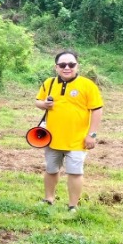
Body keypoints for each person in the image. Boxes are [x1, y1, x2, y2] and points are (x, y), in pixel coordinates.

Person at [35, 51, 103, 212]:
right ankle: (48, 199)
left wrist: (91, 135)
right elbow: (37, 101)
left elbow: (97, 110)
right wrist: (43, 104)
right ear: (56, 67)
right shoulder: (49, 83)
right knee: (51, 170)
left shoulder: (88, 85)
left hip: (77, 140)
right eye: (62, 65)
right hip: (52, 138)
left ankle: (73, 206)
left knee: (75, 172)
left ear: (77, 65)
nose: (67, 68)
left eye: (71, 64)